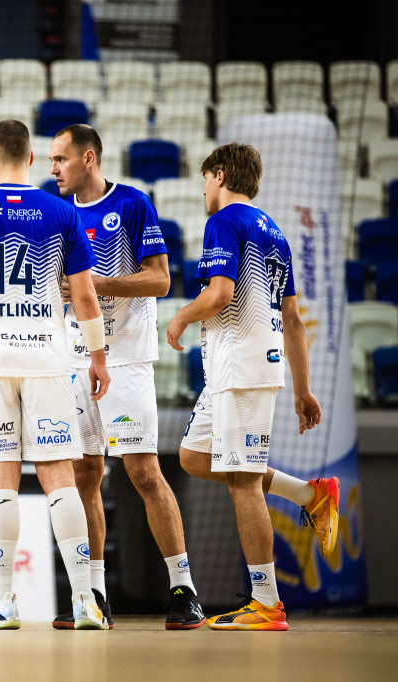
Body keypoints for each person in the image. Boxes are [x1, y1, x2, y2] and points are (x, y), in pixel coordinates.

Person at [0, 119, 111, 630]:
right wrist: (96, 357)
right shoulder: (60, 211)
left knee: (0, 479)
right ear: (31, 159)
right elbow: (85, 294)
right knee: (60, 478)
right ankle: (85, 601)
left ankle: (2, 602)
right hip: (49, 359)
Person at [47, 124, 205, 630]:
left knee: (142, 472)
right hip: (71, 360)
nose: (52, 169)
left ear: (88, 158)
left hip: (127, 359)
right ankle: (93, 596)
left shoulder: (133, 204)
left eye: (60, 160)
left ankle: (184, 590)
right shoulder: (54, 214)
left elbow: (161, 279)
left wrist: (97, 284)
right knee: (83, 476)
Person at [166, 142, 325, 631]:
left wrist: (180, 318)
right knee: (194, 457)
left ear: (218, 175)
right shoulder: (273, 230)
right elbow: (294, 320)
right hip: (239, 372)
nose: (203, 190)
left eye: (205, 180)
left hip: (242, 371)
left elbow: (220, 293)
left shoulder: (225, 221)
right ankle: (308, 495)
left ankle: (266, 603)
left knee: (241, 480)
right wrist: (302, 389)